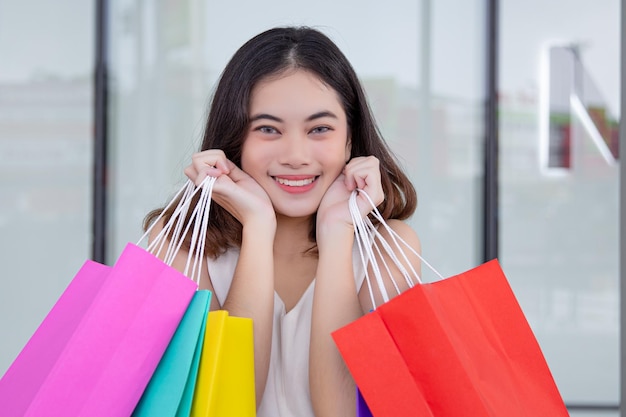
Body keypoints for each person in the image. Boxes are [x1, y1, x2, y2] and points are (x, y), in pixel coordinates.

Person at [144, 26, 422, 417]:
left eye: (320, 129)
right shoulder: (184, 243)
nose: (295, 155)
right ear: (236, 138)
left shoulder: (388, 249)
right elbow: (225, 408)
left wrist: (338, 232)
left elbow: (341, 411)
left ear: (350, 139)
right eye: (268, 129)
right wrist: (257, 228)